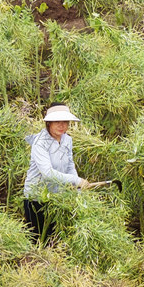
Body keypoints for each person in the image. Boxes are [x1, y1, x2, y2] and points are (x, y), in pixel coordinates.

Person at [21, 103, 95, 243]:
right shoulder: (40, 143)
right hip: (37, 197)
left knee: (55, 239)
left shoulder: (67, 140)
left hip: (57, 197)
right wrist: (76, 180)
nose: (62, 125)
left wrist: (76, 186)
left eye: (65, 122)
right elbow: (48, 173)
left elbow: (69, 165)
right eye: (57, 122)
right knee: (38, 239)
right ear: (49, 123)